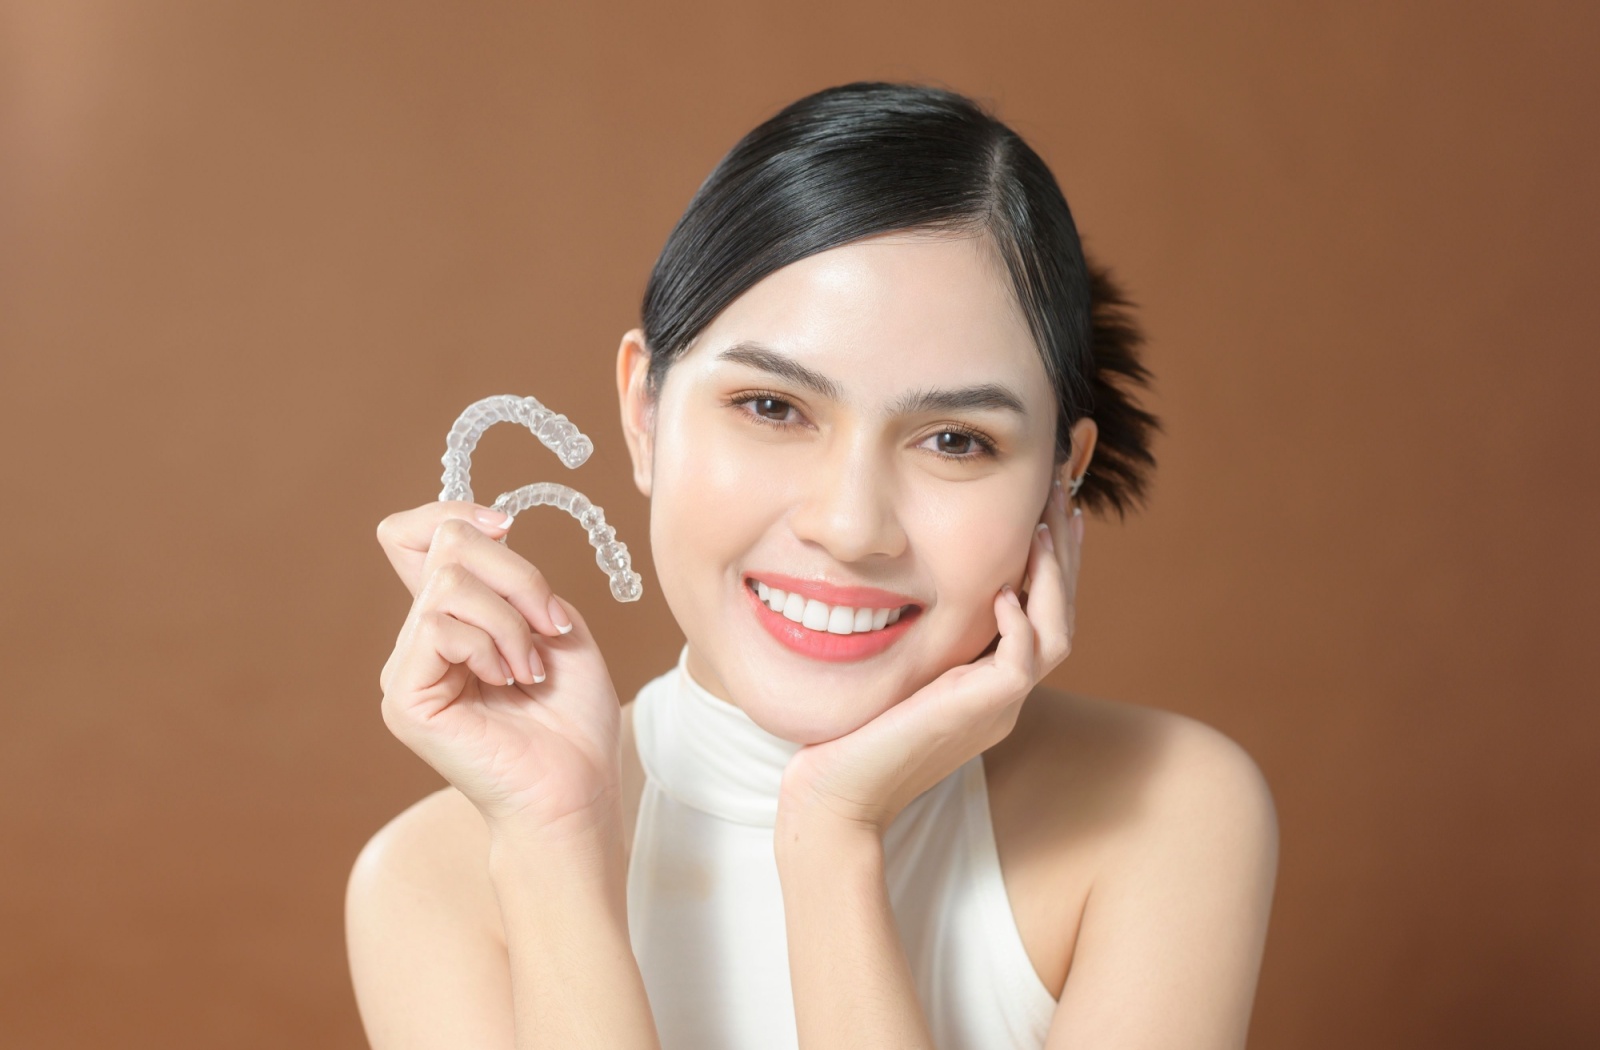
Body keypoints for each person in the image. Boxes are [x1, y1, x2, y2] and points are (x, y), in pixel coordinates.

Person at [345, 81, 1278, 1050]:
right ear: (643, 413)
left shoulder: (1159, 811)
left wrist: (833, 840)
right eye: (772, 408)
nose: (849, 524)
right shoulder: (430, 882)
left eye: (955, 440)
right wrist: (553, 844)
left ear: (1060, 476)